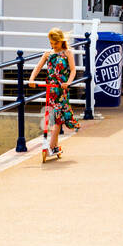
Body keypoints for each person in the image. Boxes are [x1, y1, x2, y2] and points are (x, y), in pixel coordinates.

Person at [29, 28, 80, 161]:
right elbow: (38, 67)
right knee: (52, 116)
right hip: (51, 89)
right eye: (51, 43)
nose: (53, 46)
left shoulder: (67, 53)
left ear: (61, 41)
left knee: (57, 117)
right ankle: (54, 146)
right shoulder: (48, 53)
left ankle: (51, 146)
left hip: (61, 90)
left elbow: (73, 70)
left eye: (55, 43)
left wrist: (68, 83)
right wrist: (32, 79)